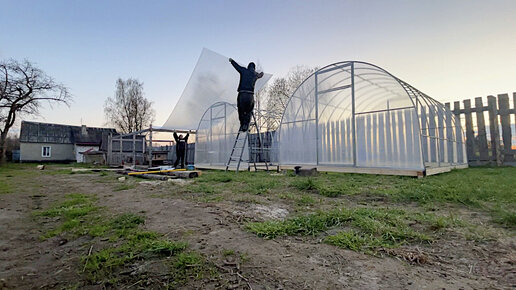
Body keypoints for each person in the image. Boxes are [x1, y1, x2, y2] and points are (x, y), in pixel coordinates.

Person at [229, 58, 264, 131]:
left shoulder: (244, 70)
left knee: (241, 110)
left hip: (242, 94)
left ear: (248, 66)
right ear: (254, 68)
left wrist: (232, 61)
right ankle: (246, 124)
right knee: (249, 110)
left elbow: (237, 67)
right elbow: (260, 75)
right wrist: (262, 73)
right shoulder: (255, 74)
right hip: (250, 96)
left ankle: (242, 124)